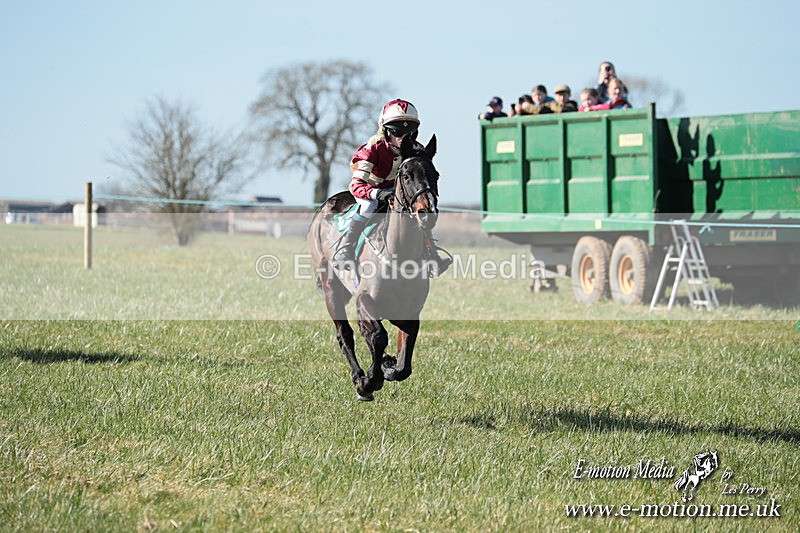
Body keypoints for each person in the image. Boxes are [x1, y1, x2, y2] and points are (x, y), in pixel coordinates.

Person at [335, 98, 452, 274]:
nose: (403, 137)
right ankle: (347, 249)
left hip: (396, 192)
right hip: (370, 191)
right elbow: (356, 185)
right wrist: (377, 194)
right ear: (386, 131)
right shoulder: (371, 150)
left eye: (409, 132)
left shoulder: (415, 150)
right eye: (397, 131)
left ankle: (431, 254)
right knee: (369, 205)